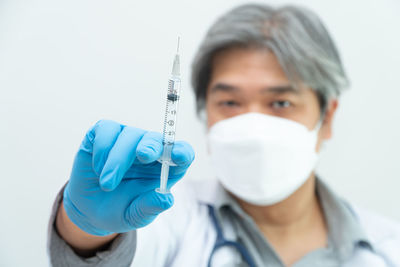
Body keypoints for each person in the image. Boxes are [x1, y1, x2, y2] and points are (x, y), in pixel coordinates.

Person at [48, 3, 400, 267]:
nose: (254, 127)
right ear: (205, 113)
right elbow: (107, 256)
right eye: (230, 101)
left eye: (280, 102)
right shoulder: (166, 215)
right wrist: (87, 228)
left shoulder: (387, 247)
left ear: (327, 118)